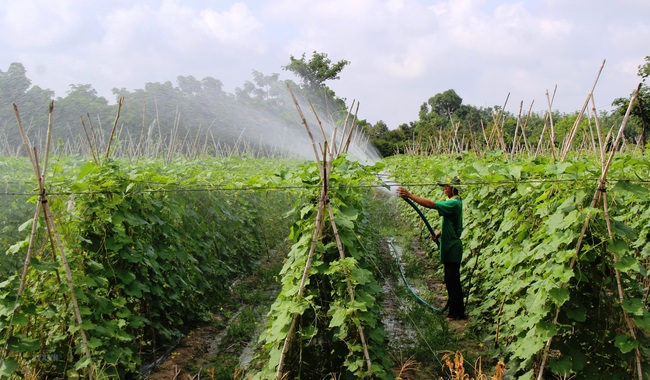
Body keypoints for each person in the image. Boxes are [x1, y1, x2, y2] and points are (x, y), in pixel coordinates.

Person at [396, 177, 466, 321]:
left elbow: (431, 204)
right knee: (450, 279)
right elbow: (451, 223)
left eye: (446, 186)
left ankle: (457, 313)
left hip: (452, 248)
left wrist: (410, 195)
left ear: (453, 188)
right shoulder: (453, 203)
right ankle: (454, 310)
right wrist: (439, 233)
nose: (444, 189)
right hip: (449, 246)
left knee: (453, 281)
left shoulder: (453, 203)